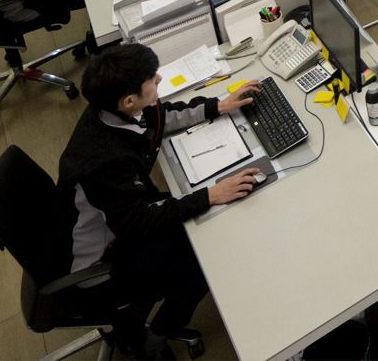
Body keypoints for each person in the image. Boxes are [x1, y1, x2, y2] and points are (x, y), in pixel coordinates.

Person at [59, 44, 264, 359]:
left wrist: (218, 106)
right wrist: (211, 194)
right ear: (129, 100)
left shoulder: (113, 109)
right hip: (101, 260)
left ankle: (143, 310)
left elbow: (159, 116)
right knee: (203, 258)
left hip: (123, 218)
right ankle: (154, 339)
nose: (159, 79)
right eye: (152, 79)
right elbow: (138, 223)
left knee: (198, 221)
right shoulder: (102, 161)